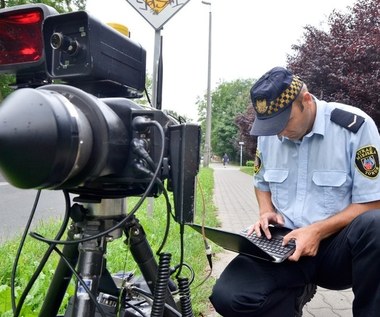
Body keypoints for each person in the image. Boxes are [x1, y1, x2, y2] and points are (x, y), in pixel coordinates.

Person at [209, 67, 380, 317]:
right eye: (271, 125)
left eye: (284, 122)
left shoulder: (354, 127)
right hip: (285, 244)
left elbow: (373, 202)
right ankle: (292, 299)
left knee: (376, 225)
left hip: (337, 247)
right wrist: (266, 211)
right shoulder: (271, 133)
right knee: (228, 297)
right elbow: (261, 182)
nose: (278, 132)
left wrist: (316, 231)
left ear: (306, 101)